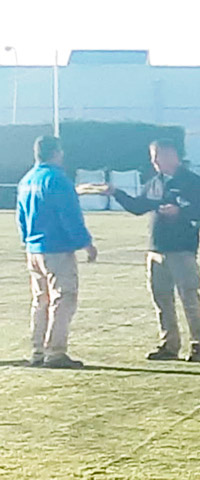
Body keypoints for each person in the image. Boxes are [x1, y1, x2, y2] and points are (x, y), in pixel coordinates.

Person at [98, 139, 200, 362]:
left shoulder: (192, 182)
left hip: (181, 249)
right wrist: (116, 193)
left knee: (189, 297)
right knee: (162, 299)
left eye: (159, 156)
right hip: (157, 250)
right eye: (153, 157)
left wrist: (180, 211)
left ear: (173, 156)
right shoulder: (154, 183)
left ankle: (199, 345)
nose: (155, 162)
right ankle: (169, 344)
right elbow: (139, 207)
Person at [17, 135, 98, 369]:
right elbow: (69, 215)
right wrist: (86, 243)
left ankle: (38, 350)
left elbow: (21, 216)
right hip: (56, 248)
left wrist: (28, 241)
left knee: (40, 300)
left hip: (34, 248)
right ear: (57, 152)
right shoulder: (57, 179)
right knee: (63, 298)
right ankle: (56, 351)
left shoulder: (27, 179)